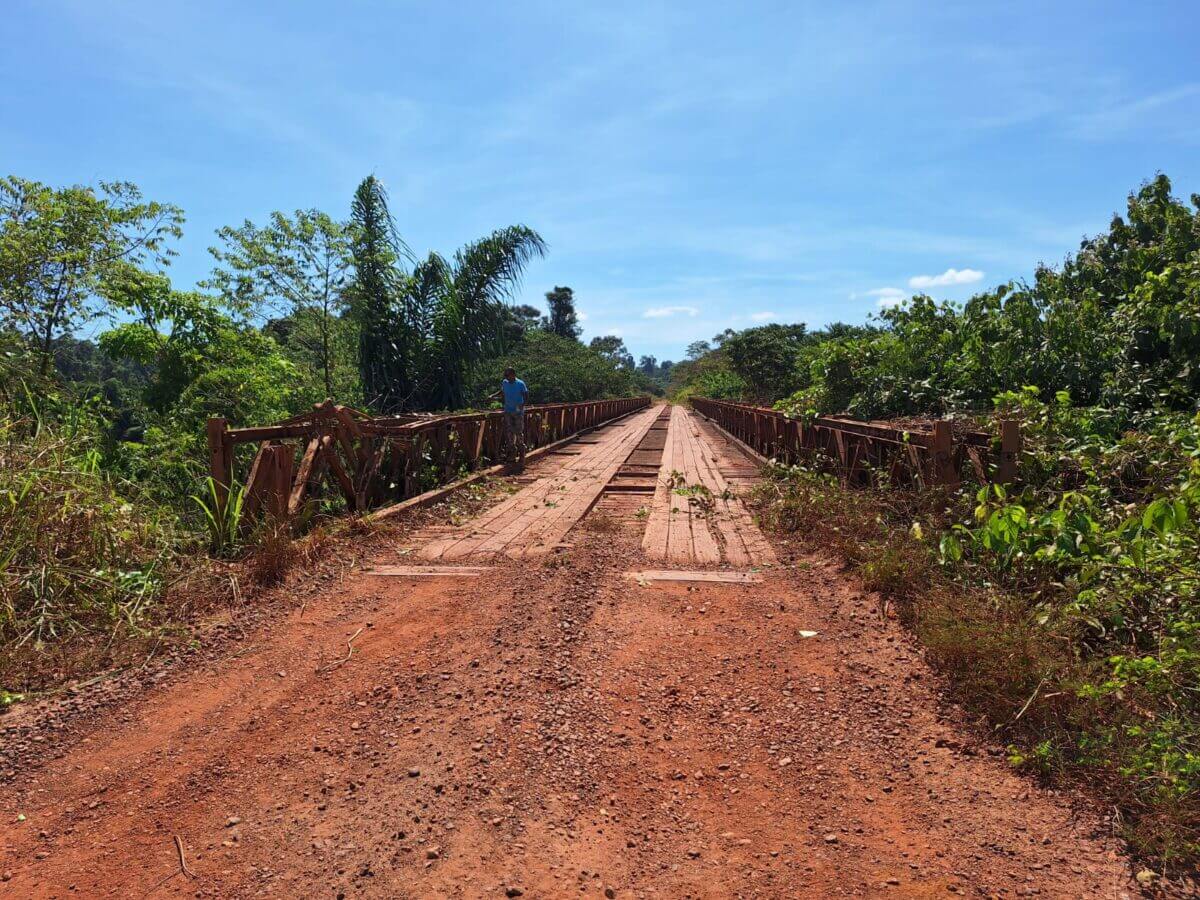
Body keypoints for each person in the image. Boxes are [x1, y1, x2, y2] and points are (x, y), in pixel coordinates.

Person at [491, 367, 528, 471]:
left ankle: (522, 454)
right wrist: (492, 396)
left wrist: (522, 405)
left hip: (518, 412)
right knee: (509, 433)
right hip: (508, 411)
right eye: (506, 376)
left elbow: (526, 395)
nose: (507, 378)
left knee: (519, 432)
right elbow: (502, 392)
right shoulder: (505, 382)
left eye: (508, 375)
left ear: (513, 374)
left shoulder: (520, 383)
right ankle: (512, 455)